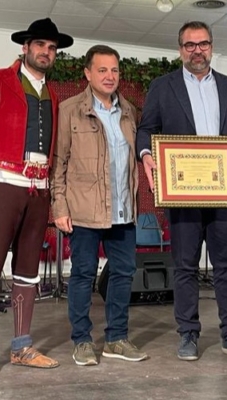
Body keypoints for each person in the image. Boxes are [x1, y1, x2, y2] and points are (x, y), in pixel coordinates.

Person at [0, 18, 73, 381]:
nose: (46, 52)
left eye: (52, 48)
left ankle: (22, 346)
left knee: (28, 271)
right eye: (40, 44)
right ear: (25, 47)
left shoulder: (52, 94)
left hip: (38, 191)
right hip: (2, 185)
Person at [136, 21, 227, 361]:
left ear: (212, 47)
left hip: (223, 195)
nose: (197, 50)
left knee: (225, 267)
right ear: (180, 50)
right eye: (189, 45)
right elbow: (146, 130)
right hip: (182, 194)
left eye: (202, 44)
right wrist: (146, 155)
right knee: (185, 267)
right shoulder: (163, 87)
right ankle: (188, 334)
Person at [50, 44, 147, 366]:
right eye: (102, 70)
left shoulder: (130, 112)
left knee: (123, 273)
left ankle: (116, 339)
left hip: (123, 210)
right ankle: (82, 340)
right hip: (84, 210)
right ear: (87, 73)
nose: (109, 76)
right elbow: (58, 163)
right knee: (82, 274)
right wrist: (59, 207)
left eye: (115, 70)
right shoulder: (69, 110)